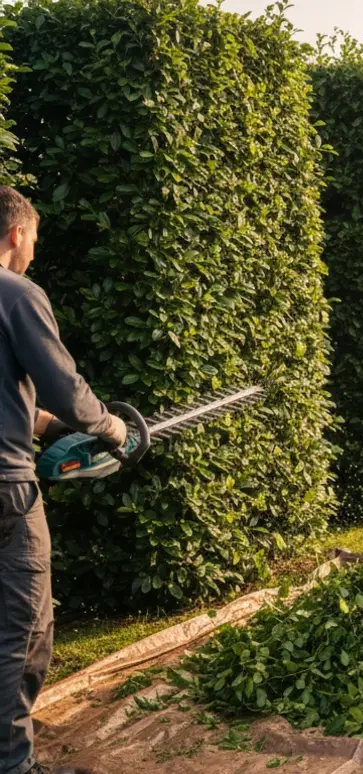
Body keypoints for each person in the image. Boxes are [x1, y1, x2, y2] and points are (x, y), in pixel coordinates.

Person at [0, 186, 125, 774]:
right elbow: (67, 390)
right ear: (16, 233)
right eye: (33, 242)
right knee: (24, 631)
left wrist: (43, 427)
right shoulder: (15, 294)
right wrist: (113, 428)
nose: (32, 255)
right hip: (6, 492)